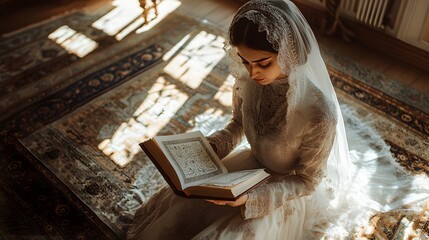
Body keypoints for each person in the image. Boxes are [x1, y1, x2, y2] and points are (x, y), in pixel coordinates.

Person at [127, 0, 429, 239]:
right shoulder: (247, 80)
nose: (253, 73)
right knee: (181, 212)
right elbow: (238, 125)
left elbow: (308, 180)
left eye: (262, 63)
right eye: (245, 62)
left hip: (283, 189)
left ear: (288, 53)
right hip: (245, 172)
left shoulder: (318, 114)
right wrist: (213, 147)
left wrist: (253, 199)